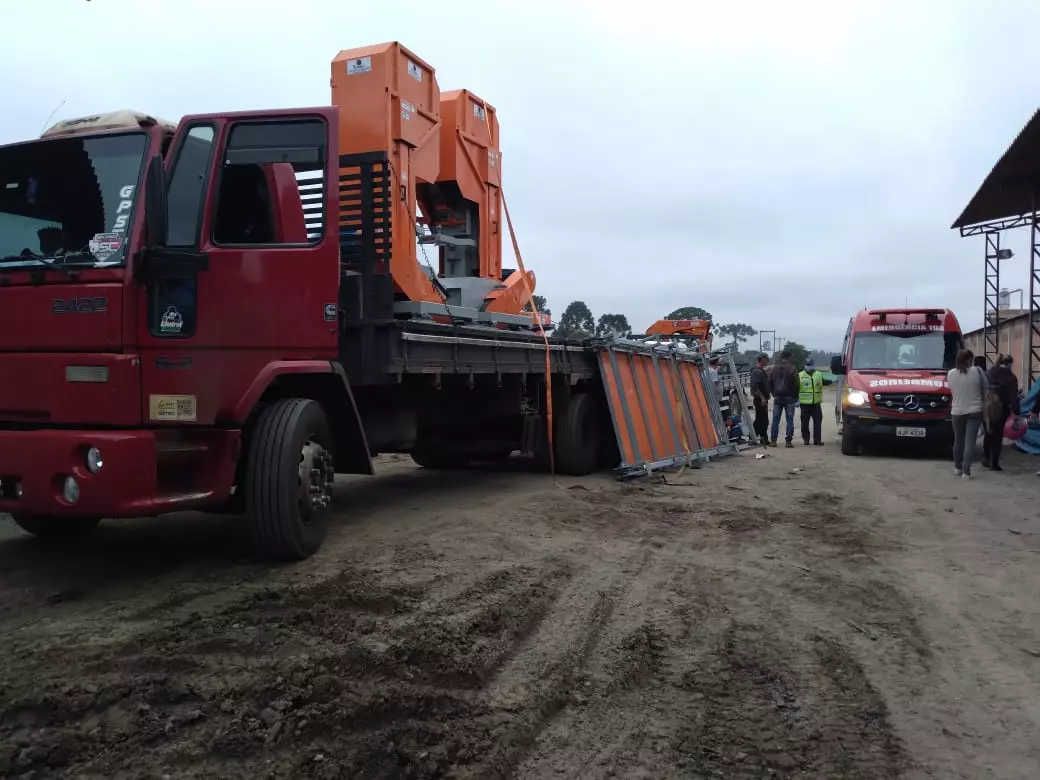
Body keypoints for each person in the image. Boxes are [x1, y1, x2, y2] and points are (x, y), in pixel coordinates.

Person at [947, 348, 986, 480]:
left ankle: (957, 468)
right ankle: (966, 472)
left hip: (957, 411)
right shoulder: (978, 371)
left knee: (958, 440)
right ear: (969, 359)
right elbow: (986, 388)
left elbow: (952, 390)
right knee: (970, 442)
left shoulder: (951, 374)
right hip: (975, 411)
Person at [983, 354, 1020, 471]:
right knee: (997, 437)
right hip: (1001, 409)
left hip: (986, 406)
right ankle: (994, 463)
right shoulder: (1011, 377)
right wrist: (1016, 411)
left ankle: (986, 458)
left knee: (988, 432)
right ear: (1009, 364)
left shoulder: (989, 372)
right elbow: (1013, 397)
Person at [797, 358, 834, 445]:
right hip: (804, 404)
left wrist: (833, 381)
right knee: (804, 423)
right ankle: (806, 439)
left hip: (816, 404)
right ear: (804, 366)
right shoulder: (800, 375)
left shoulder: (818, 374)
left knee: (817, 423)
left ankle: (817, 440)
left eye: (810, 365)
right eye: (807, 365)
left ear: (813, 365)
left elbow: (823, 382)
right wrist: (795, 400)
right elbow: (795, 388)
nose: (808, 366)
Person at [768, 350, 798, 448]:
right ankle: (788, 442)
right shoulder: (792, 368)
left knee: (775, 420)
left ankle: (773, 441)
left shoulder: (774, 369)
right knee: (789, 420)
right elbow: (797, 383)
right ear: (788, 357)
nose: (792, 358)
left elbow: (769, 382)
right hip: (789, 398)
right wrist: (795, 396)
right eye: (791, 356)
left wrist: (773, 393)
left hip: (777, 398)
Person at [750, 353, 770, 446]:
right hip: (759, 399)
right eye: (766, 359)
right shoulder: (757, 371)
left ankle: (764, 439)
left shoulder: (760, 370)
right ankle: (753, 438)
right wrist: (762, 398)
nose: (768, 360)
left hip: (762, 398)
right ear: (761, 359)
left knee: (764, 420)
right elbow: (755, 387)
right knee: (760, 419)